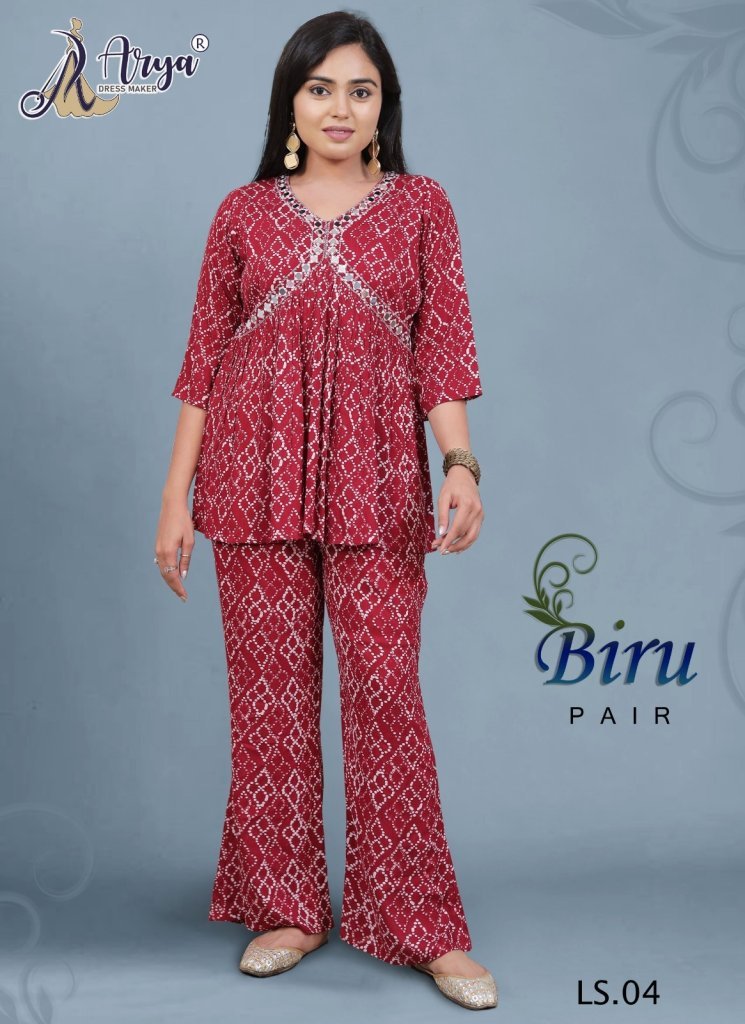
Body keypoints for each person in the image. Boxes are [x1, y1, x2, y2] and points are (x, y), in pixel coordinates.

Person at [154, 10, 496, 1012]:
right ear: (289, 104)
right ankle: (287, 907)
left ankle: (420, 922)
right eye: (319, 88)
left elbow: (442, 351)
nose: (338, 107)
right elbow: (201, 365)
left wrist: (461, 463)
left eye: (359, 89)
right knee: (268, 703)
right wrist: (174, 499)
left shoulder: (422, 207)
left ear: (384, 107)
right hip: (247, 477)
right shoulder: (241, 214)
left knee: (387, 694)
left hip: (378, 481)